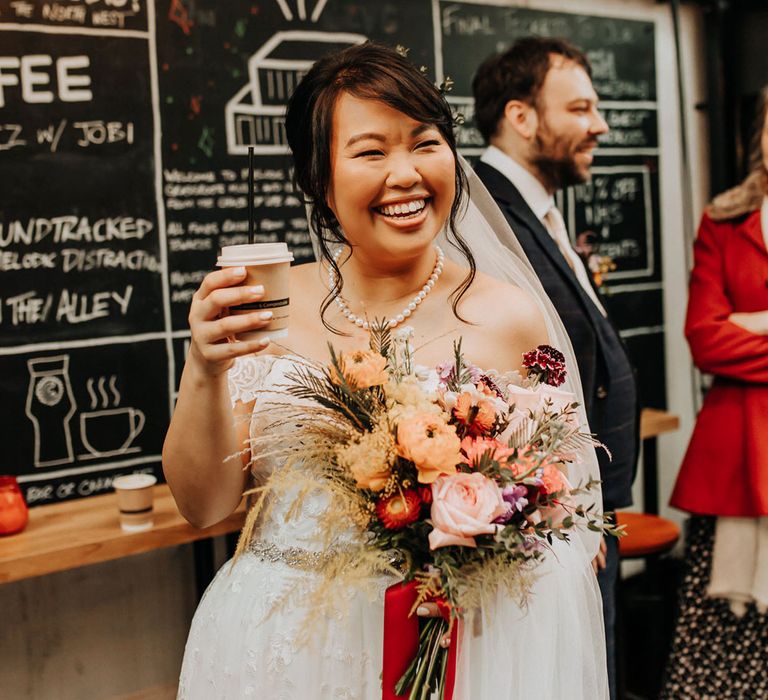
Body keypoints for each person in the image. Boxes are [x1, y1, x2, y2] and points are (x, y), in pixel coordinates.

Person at [164, 42, 608, 699]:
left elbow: (563, 512)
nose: (405, 174)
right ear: (317, 178)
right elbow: (202, 507)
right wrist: (203, 367)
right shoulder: (261, 310)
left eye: (424, 143)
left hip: (458, 646)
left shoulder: (508, 316)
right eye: (371, 152)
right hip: (283, 646)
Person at [471, 37, 639, 700]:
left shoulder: (536, 209)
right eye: (581, 108)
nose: (598, 124)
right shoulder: (487, 215)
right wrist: (567, 500)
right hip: (553, 522)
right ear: (521, 117)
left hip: (587, 518)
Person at [662, 87, 768, 699]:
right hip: (734, 464)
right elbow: (704, 340)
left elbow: (726, 334)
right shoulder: (725, 219)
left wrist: (751, 323)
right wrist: (736, 330)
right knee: (725, 647)